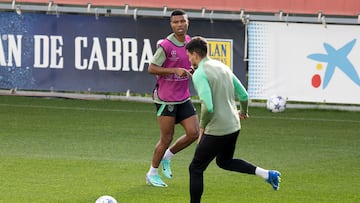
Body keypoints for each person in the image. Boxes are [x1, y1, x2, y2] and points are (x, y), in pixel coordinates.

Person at [185, 36, 281, 202]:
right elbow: (243, 94)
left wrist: (201, 128)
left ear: (194, 54)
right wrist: (243, 112)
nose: (189, 59)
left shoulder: (199, 74)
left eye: (189, 56)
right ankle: (267, 174)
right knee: (224, 161)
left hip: (217, 130)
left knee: (196, 168)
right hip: (233, 126)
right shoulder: (222, 66)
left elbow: (208, 106)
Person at [146, 9, 199, 187]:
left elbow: (190, 64)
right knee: (166, 138)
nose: (179, 25)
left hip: (183, 97)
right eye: (175, 22)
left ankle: (167, 157)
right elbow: (152, 68)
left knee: (194, 133)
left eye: (182, 21)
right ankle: (151, 173)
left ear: (187, 22)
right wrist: (173, 70)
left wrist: (193, 71)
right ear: (171, 25)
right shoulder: (166, 46)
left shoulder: (190, 42)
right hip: (165, 99)